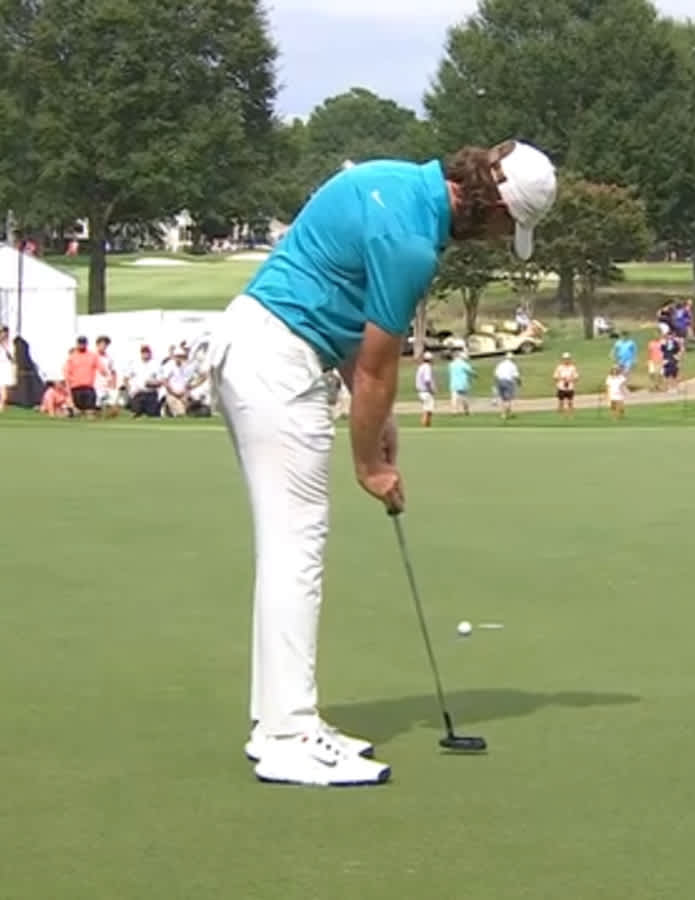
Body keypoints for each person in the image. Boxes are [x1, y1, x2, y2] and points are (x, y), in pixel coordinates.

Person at [204, 139, 556, 787]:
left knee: (289, 546)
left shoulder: (394, 180)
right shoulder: (412, 244)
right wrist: (370, 465)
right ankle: (288, 735)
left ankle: (279, 719)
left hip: (257, 344)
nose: (495, 242)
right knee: (295, 548)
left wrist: (379, 419)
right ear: (492, 207)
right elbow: (375, 365)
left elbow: (340, 302)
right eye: (505, 229)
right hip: (278, 362)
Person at [493, 351, 521, 420]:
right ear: (512, 358)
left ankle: (507, 413)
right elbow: (516, 376)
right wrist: (519, 382)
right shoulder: (512, 365)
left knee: (503, 399)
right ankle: (504, 414)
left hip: (499, 381)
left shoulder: (500, 364)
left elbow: (496, 374)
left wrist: (495, 384)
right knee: (508, 399)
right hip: (508, 382)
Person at [414, 351, 436, 426]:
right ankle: (425, 426)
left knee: (425, 409)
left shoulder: (420, 367)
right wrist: (431, 389)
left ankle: (425, 425)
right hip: (426, 391)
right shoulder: (427, 367)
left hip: (420, 391)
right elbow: (427, 380)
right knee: (428, 410)